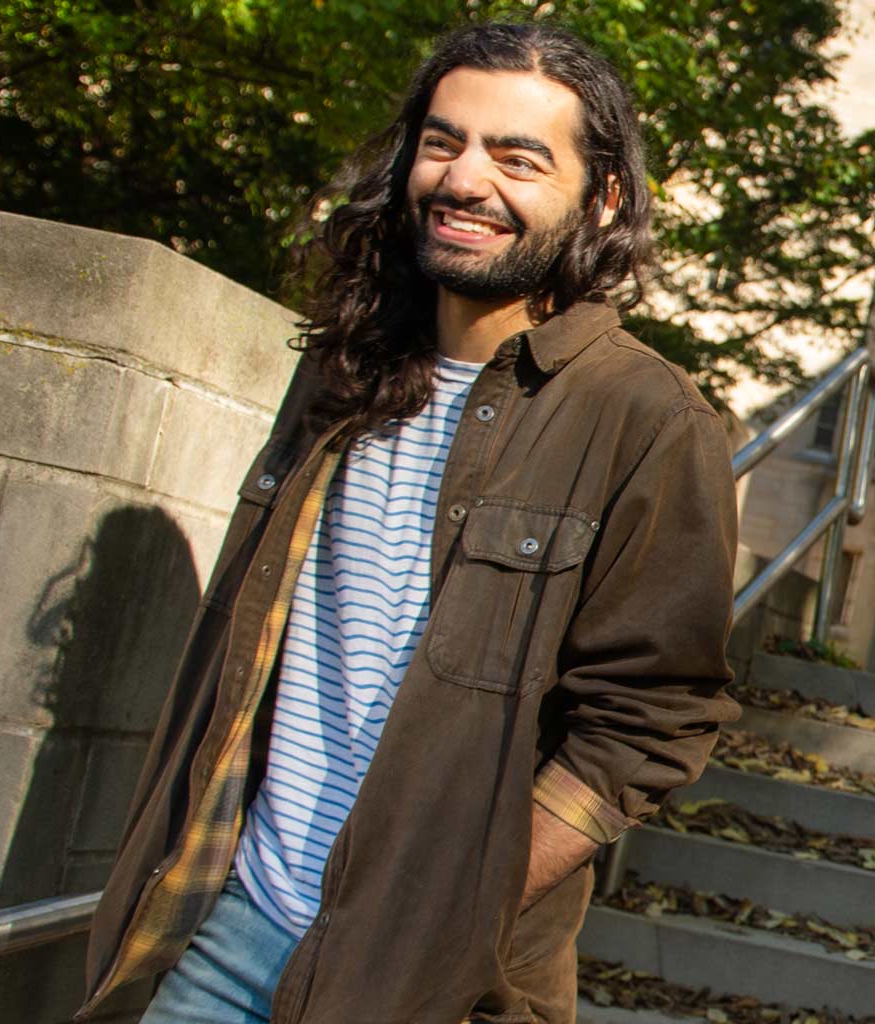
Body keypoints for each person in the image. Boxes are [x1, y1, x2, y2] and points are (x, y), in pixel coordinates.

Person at [77, 23, 742, 1024]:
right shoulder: (342, 370)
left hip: (430, 985)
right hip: (228, 933)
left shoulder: (649, 420)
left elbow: (649, 726)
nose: (465, 179)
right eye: (444, 143)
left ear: (603, 196)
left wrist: (454, 903)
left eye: (518, 158)